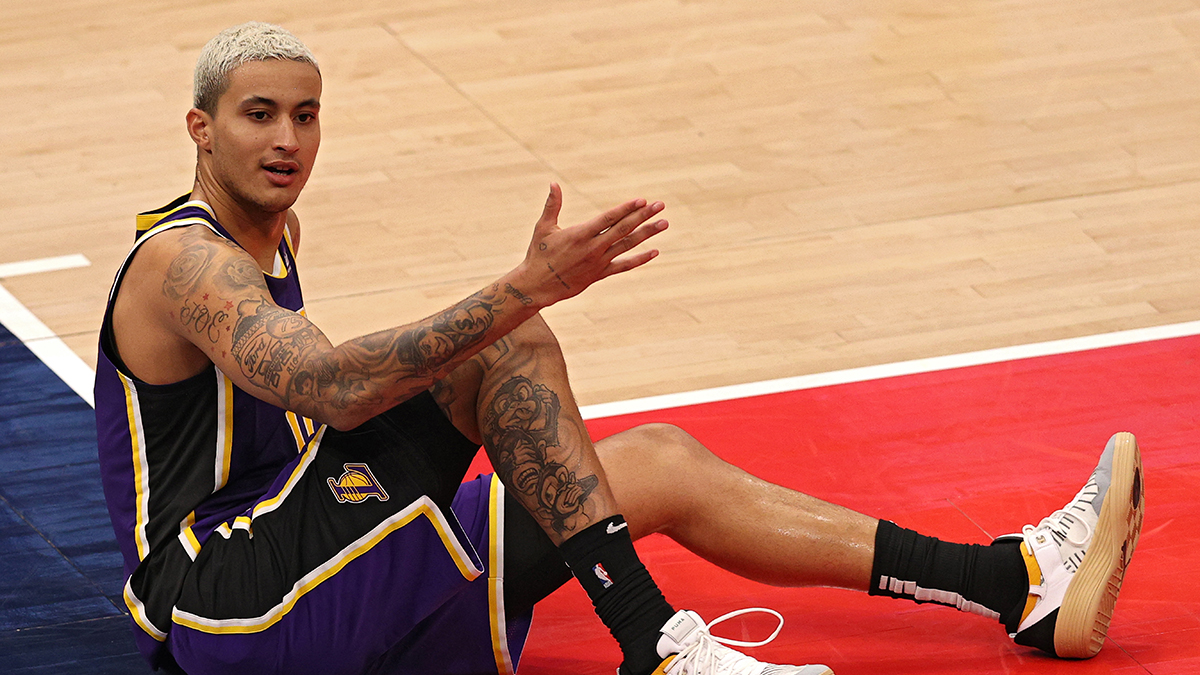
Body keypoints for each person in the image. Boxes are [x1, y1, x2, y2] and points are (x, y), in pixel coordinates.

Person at [94, 22, 1145, 675]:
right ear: (200, 129)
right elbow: (328, 387)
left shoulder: (267, 237)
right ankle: (653, 642)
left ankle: (1012, 583)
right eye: (258, 116)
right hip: (229, 601)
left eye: (305, 115)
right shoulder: (185, 263)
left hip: (307, 563)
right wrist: (525, 286)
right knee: (506, 337)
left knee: (658, 464)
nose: (286, 139)